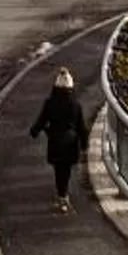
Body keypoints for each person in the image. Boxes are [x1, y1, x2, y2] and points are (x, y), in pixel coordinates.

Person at [30, 67, 86, 213]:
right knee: (66, 169)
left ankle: (62, 195)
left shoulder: (50, 103)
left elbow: (42, 120)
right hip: (70, 142)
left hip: (55, 140)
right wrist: (85, 144)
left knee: (58, 169)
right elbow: (81, 127)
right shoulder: (76, 105)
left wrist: (34, 131)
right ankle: (64, 195)